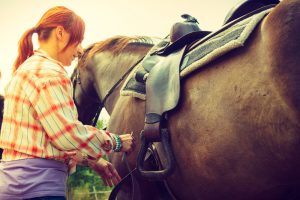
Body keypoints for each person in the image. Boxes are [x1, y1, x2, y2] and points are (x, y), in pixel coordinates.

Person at [0, 6, 135, 200]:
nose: (80, 50)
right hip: (37, 190)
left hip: (13, 186)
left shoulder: (27, 69)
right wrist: (116, 141)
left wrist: (92, 160)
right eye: (78, 40)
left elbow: (46, 142)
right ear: (61, 33)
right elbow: (67, 134)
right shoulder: (49, 73)